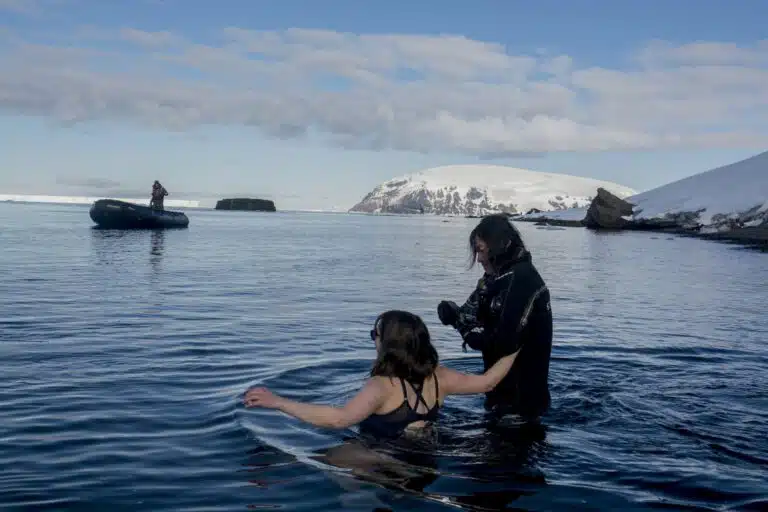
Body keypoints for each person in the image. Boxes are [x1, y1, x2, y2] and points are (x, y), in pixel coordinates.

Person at [243, 310, 521, 439]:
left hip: (385, 460)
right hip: (429, 459)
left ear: (388, 344)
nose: (373, 340)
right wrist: (517, 346)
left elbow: (340, 419)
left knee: (324, 462)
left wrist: (278, 402)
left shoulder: (382, 386)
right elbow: (489, 381)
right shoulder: (440, 377)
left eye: (375, 335)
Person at [437, 213, 553, 420]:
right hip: (501, 399)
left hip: (521, 408)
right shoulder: (496, 279)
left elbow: (503, 344)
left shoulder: (521, 280)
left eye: (481, 250)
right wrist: (455, 314)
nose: (479, 258)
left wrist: (460, 325)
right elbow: (470, 314)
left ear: (501, 246)